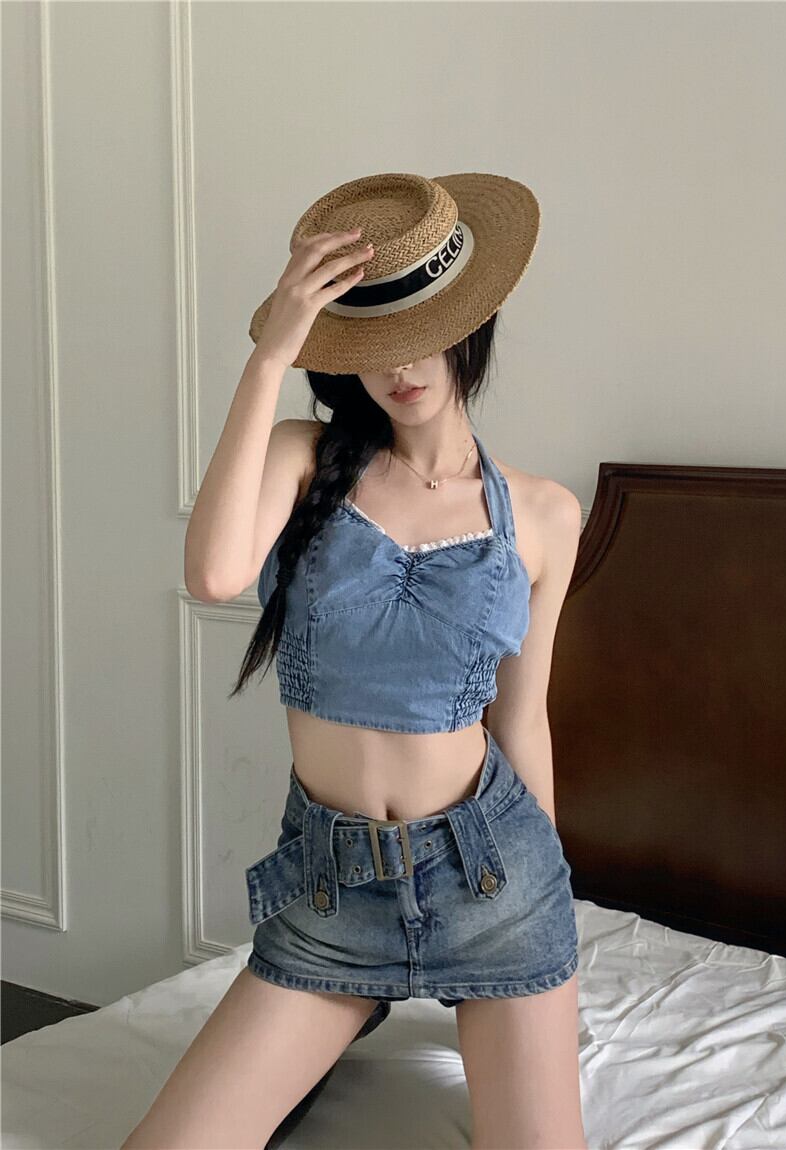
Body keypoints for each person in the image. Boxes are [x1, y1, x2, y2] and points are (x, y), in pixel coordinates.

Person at [121, 172, 586, 1150]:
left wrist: (555, 916)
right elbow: (213, 572)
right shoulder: (305, 456)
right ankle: (354, 1008)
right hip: (330, 892)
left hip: (494, 883)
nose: (401, 365)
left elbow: (521, 717)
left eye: (424, 331)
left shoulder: (544, 514)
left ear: (470, 326)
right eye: (374, 340)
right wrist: (272, 350)